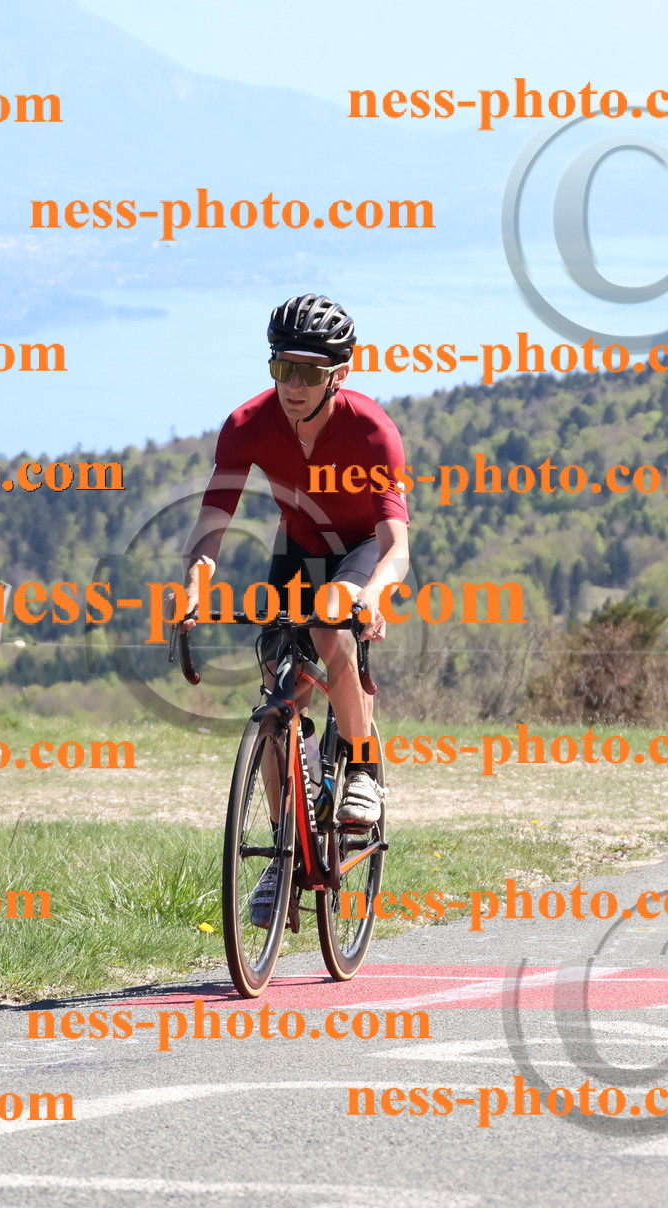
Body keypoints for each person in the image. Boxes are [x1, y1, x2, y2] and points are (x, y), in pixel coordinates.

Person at [179, 294, 411, 927]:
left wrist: (374, 593)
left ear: (340, 372)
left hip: (360, 550)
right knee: (278, 694)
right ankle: (285, 852)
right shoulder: (248, 423)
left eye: (309, 372)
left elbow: (397, 550)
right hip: (300, 550)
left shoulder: (371, 430)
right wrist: (198, 578)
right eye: (283, 369)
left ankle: (362, 768)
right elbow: (212, 522)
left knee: (328, 621)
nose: (293, 385)